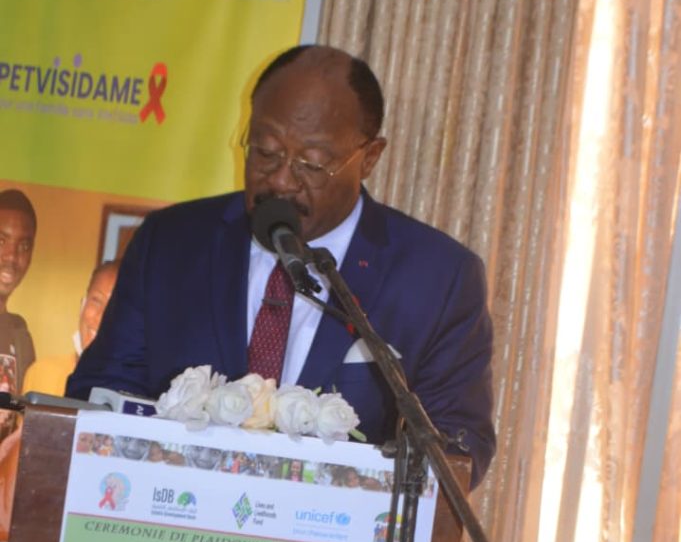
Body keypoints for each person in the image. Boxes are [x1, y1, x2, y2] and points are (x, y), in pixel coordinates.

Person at [66, 45, 495, 487]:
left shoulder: (438, 278)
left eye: (312, 163)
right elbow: (101, 394)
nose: (281, 180)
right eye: (265, 151)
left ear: (369, 158)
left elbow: (457, 449)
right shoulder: (171, 243)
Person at [23, 259, 119, 396]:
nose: (100, 318)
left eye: (115, 308)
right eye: (96, 301)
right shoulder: (41, 373)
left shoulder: (130, 393)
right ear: (83, 304)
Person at [0, 189, 37, 395]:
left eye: (23, 246)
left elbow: (20, 409)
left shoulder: (20, 337)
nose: (11, 257)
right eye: (1, 241)